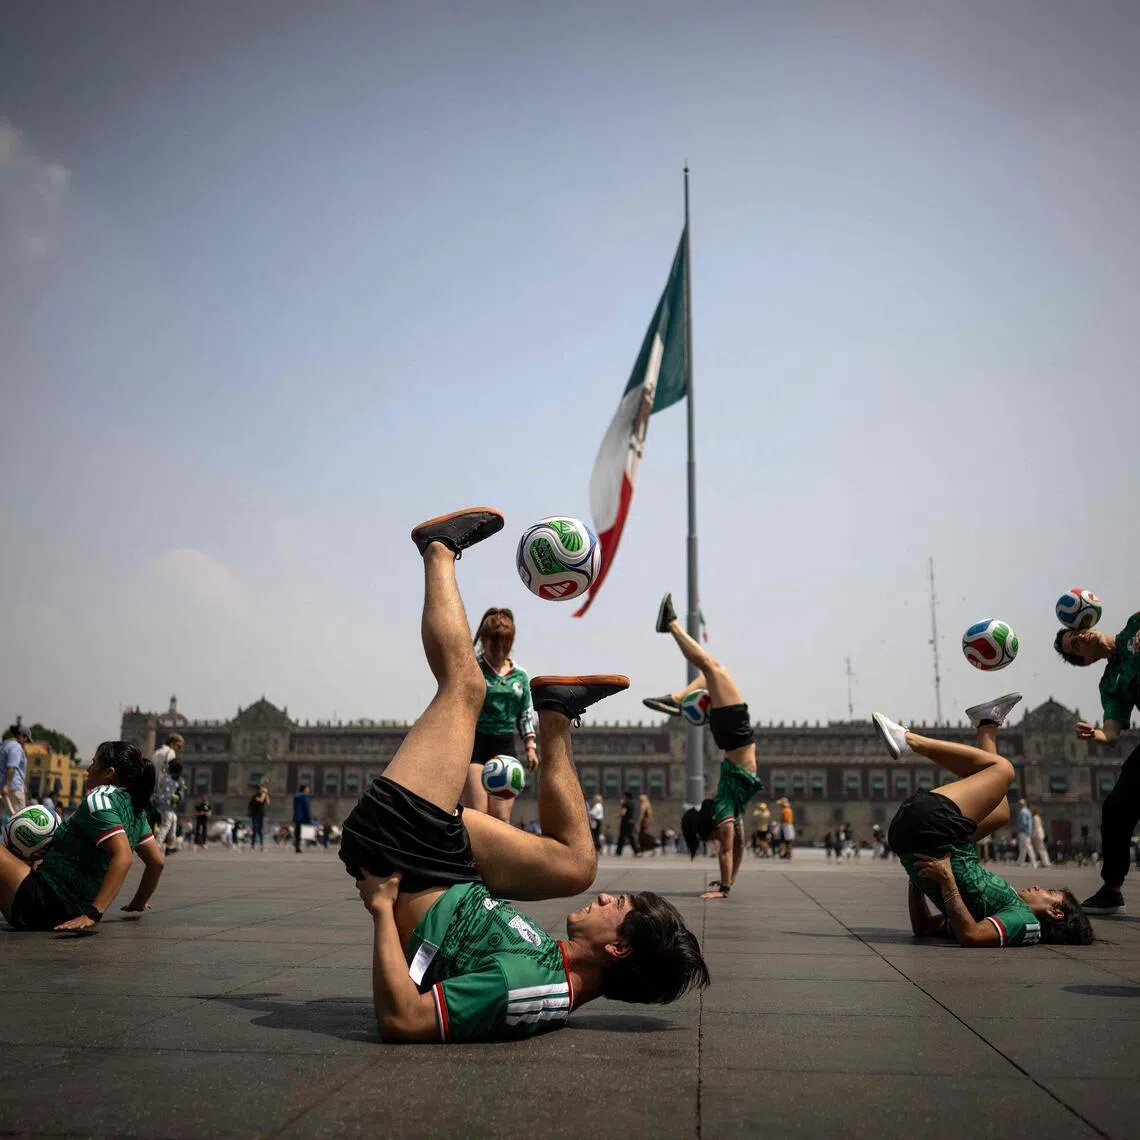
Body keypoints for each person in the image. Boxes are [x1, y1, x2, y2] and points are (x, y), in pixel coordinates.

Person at [337, 506, 709, 1042]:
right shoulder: (553, 966)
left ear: (618, 948)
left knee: (465, 687)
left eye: (618, 906)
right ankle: (554, 713)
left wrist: (379, 910)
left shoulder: (533, 987)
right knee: (577, 865)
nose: (608, 897)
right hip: (454, 868)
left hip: (403, 855)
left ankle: (438, 549)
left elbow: (404, 1020)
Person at [872, 692, 1093, 947]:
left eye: (1050, 893)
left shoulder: (1024, 921)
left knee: (1003, 770)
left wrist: (946, 881)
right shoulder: (1009, 911)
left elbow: (972, 935)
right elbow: (923, 927)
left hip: (931, 829)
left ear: (1056, 913)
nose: (1038, 886)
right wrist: (918, 880)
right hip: (916, 840)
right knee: (1001, 814)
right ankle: (987, 726)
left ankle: (908, 740)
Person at [655, 593, 764, 900]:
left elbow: (727, 851)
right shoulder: (726, 808)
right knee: (710, 671)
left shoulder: (724, 808)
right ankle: (676, 699)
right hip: (732, 736)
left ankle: (672, 626)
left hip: (735, 735)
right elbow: (735, 848)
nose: (721, 840)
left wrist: (724, 886)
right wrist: (726, 885)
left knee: (712, 668)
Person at [1, 741, 165, 931]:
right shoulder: (136, 810)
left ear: (109, 773)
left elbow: (123, 856)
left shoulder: (100, 798)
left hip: (42, 902)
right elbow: (156, 863)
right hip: (71, 911)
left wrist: (94, 913)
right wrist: (139, 901)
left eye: (94, 763)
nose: (88, 768)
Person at [1055, 613, 1140, 914]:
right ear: (1087, 661)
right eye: (1074, 647)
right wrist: (1097, 735)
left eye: (1075, 634)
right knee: (1116, 807)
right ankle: (1112, 888)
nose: (1079, 639)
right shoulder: (1112, 682)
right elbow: (1113, 732)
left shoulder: (1134, 624)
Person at [462, 607, 537, 825]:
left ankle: (496, 859)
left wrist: (530, 747)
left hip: (505, 747)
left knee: (501, 817)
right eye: (495, 645)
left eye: (505, 646)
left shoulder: (520, 676)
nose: (500, 651)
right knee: (477, 813)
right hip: (475, 745)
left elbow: (525, 713)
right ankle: (474, 859)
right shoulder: (472, 670)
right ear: (484, 642)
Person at [154, 758, 186, 854]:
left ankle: (171, 843)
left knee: (174, 819)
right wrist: (179, 796)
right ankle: (157, 844)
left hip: (161, 804)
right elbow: (181, 794)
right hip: (167, 806)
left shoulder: (165, 778)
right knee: (166, 824)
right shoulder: (179, 780)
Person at [1, 721, 31, 825]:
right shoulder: (16, 747)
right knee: (19, 821)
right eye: (26, 739)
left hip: (3, 786)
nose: (26, 742)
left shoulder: (4, 745)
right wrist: (7, 785)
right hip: (13, 788)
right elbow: (12, 767)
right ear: (22, 736)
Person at [1014, 799, 1037, 868]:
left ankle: (1034, 863)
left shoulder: (1022, 812)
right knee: (1023, 848)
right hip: (1027, 832)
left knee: (1027, 847)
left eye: (1019, 804)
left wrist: (1020, 829)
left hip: (1023, 832)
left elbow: (1024, 823)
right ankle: (1020, 862)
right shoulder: (1027, 811)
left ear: (1021, 804)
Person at [615, 792, 639, 856]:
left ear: (626, 796)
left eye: (624, 796)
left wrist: (618, 815)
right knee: (631, 837)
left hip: (625, 822)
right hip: (632, 821)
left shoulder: (626, 803)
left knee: (622, 837)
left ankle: (618, 852)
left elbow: (623, 813)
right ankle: (636, 851)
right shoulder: (634, 803)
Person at [249, 784, 270, 851]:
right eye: (261, 789)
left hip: (261, 815)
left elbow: (268, 802)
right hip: (255, 815)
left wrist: (266, 794)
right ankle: (253, 846)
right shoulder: (255, 796)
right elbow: (260, 800)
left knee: (260, 831)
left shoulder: (263, 796)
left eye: (262, 789)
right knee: (254, 831)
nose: (262, 790)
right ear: (258, 790)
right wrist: (265, 793)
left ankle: (261, 846)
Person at [292, 783, 312, 853]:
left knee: (297, 832)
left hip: (296, 816)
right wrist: (309, 817)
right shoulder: (304, 797)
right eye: (307, 789)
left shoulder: (296, 796)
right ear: (304, 789)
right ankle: (297, 846)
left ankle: (297, 846)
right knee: (300, 832)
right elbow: (306, 808)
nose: (308, 790)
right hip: (302, 817)